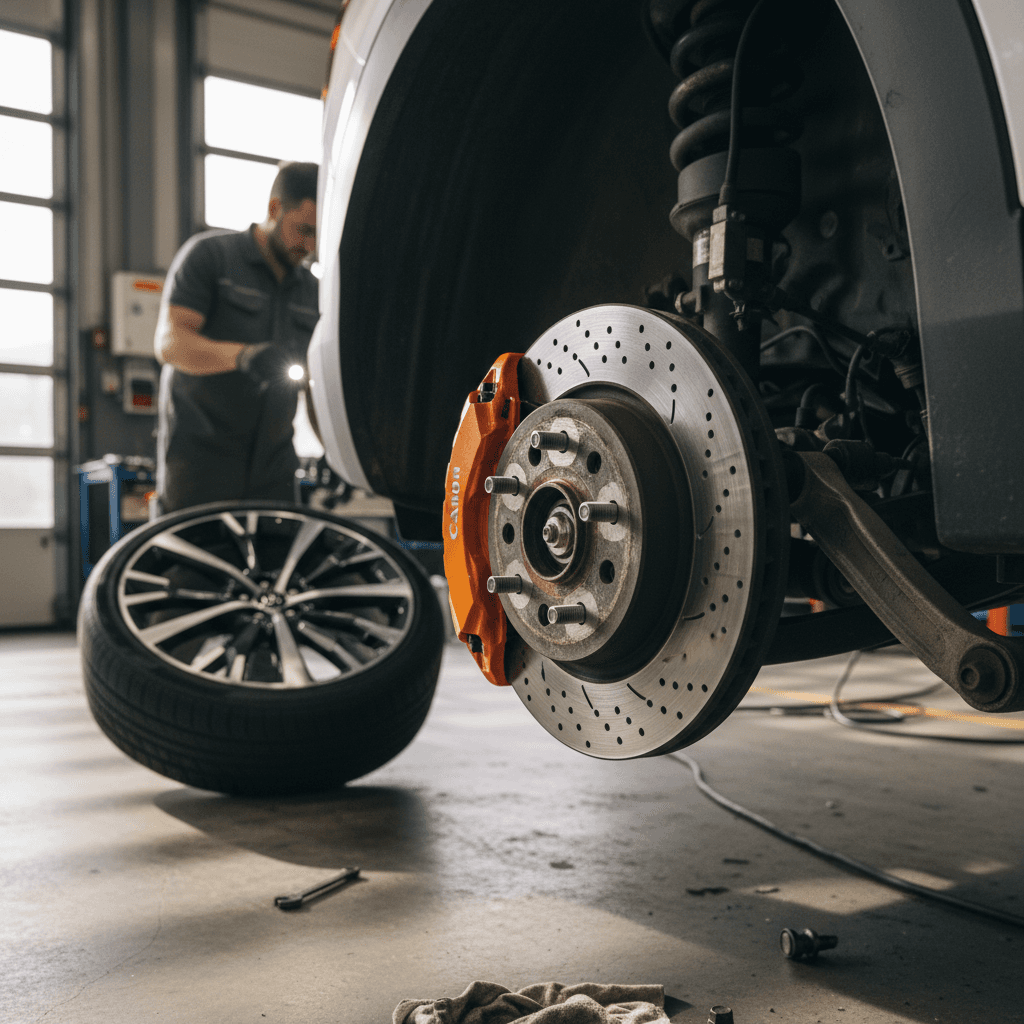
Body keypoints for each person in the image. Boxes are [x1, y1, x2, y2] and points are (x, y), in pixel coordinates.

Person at [154, 161, 320, 513]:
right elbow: (170, 343)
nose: (310, 245)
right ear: (274, 209)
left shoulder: (313, 293)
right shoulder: (210, 257)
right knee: (195, 566)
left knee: (277, 567)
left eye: (318, 234)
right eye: (303, 229)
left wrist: (333, 454)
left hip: (274, 471)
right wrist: (243, 356)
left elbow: (317, 385)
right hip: (200, 467)